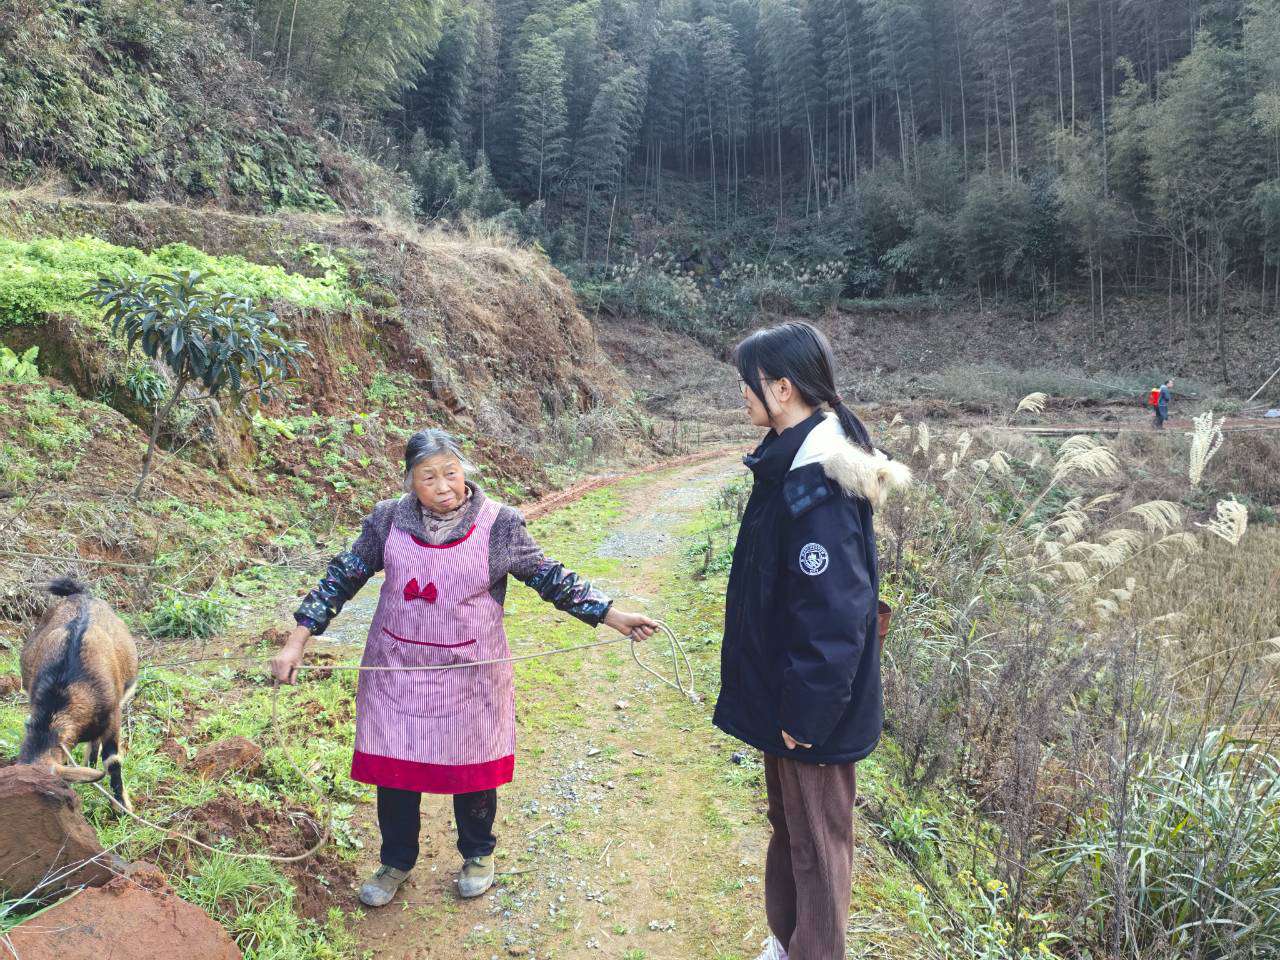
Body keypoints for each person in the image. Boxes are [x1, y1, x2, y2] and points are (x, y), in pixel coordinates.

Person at [269, 429, 657, 907]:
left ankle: (477, 854)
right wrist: (297, 640)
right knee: (395, 766)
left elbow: (550, 578)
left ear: (464, 471)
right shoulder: (387, 520)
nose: (443, 487)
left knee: (472, 766)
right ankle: (395, 861)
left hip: (470, 672)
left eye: (450, 473)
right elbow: (341, 577)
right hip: (396, 669)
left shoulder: (499, 525)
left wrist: (611, 615)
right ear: (410, 481)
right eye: (428, 477)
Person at [713, 321, 910, 960]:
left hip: (810, 710)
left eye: (748, 382)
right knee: (790, 827)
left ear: (783, 388)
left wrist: (806, 714)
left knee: (820, 846)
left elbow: (835, 618)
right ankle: (787, 940)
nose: (742, 394)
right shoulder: (786, 462)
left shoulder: (818, 485)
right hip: (788, 695)